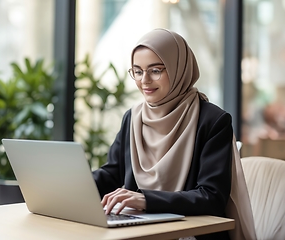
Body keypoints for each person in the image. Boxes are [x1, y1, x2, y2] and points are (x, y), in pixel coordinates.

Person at [92, 28, 255, 240]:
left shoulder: (212, 120)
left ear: (178, 68)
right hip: (140, 229)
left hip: (193, 234)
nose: (145, 81)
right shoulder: (133, 117)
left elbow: (211, 197)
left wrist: (146, 200)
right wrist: (71, 186)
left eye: (156, 70)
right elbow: (112, 174)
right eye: (138, 71)